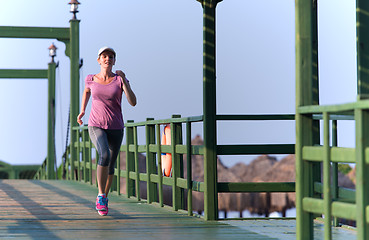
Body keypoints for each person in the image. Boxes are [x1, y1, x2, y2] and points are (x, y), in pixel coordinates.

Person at [77, 47, 137, 216]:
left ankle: (104, 195)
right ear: (99, 60)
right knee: (104, 155)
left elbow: (133, 102)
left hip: (116, 127)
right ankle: (101, 196)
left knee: (111, 165)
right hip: (96, 125)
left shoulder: (119, 80)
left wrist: (125, 80)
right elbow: (86, 92)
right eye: (104, 56)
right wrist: (82, 111)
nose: (107, 59)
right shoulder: (90, 78)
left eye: (111, 56)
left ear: (114, 61)